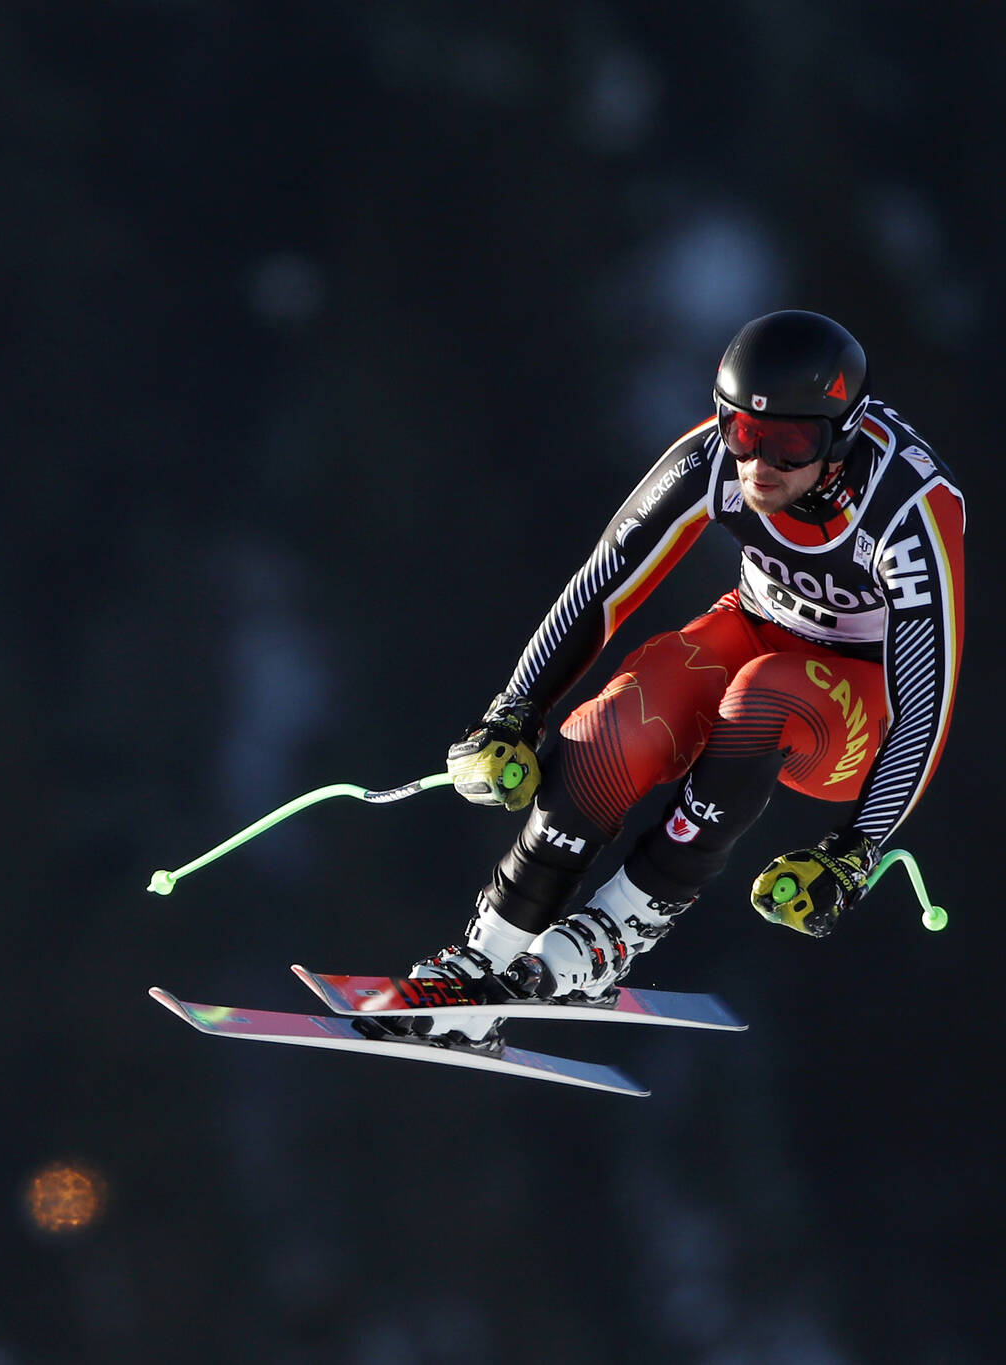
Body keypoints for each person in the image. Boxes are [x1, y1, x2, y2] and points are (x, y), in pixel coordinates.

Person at [397, 310, 967, 1049]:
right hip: (755, 626)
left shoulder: (907, 510)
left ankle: (622, 922)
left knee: (767, 689)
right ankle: (487, 954)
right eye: (743, 433)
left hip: (856, 709)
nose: (760, 464)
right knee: (625, 719)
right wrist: (511, 714)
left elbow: (927, 699)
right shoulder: (711, 462)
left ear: (842, 436)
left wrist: (853, 850)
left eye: (791, 442)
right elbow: (603, 585)